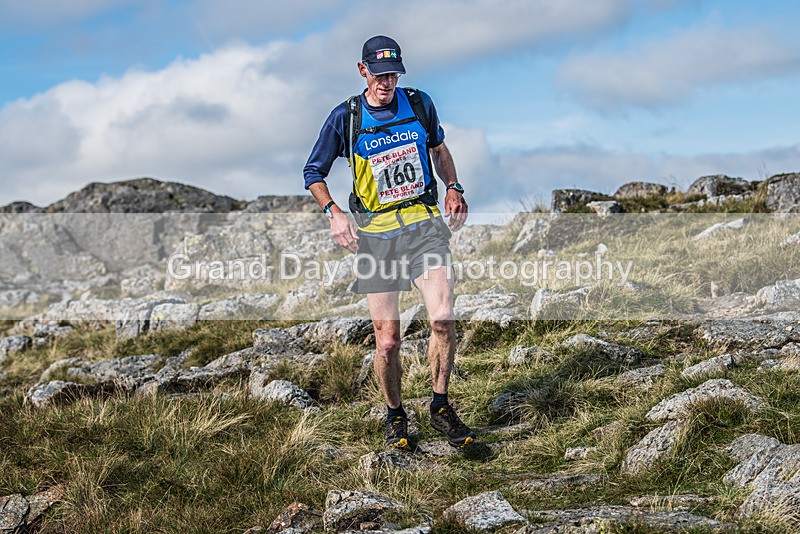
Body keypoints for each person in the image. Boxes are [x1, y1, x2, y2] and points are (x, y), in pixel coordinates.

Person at [303, 35, 475, 450]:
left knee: (443, 318)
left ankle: (440, 404)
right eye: (379, 75)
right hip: (376, 237)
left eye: (393, 74)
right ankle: (395, 414)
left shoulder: (419, 104)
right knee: (388, 339)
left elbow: (439, 148)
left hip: (424, 227)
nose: (387, 82)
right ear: (363, 71)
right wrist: (334, 214)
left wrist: (453, 187)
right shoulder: (346, 117)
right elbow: (313, 173)